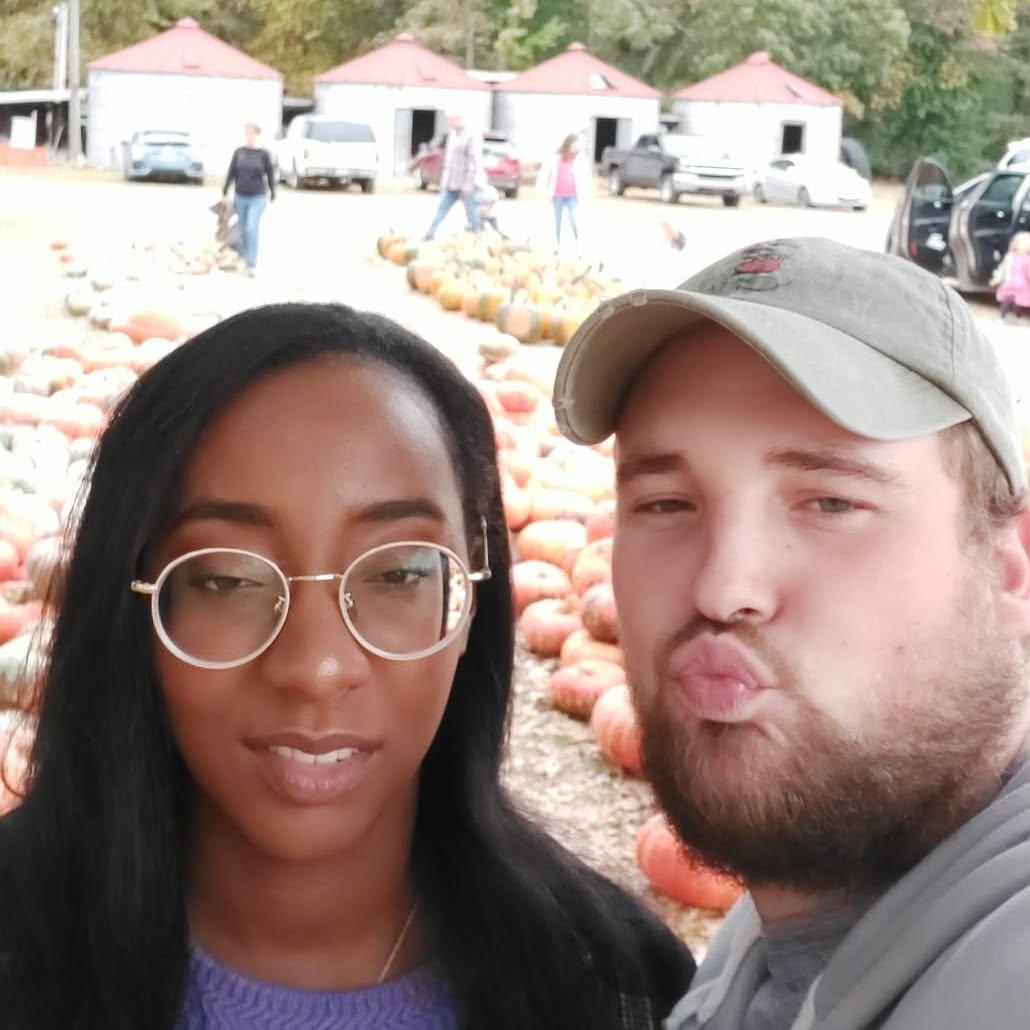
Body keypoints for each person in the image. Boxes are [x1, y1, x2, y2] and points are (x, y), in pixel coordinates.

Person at [0, 303, 694, 1029]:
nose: (317, 666)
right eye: (229, 579)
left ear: (469, 602)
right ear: (137, 607)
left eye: (396, 573)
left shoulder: (619, 990)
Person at [551, 237, 1030, 1030]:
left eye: (830, 502)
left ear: (1009, 566)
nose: (722, 586)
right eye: (667, 502)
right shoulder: (804, 899)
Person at [222, 122, 276, 276]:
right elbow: (231, 172)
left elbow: (270, 174)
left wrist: (273, 192)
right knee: (243, 229)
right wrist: (225, 190)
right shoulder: (239, 152)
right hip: (240, 196)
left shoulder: (264, 154)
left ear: (258, 135)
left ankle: (252, 263)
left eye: (253, 133)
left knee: (252, 227)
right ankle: (244, 257)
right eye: (248, 133)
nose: (250, 136)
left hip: (257, 197)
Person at [424, 115, 483, 240]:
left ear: (460, 119)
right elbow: (449, 162)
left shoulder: (470, 136)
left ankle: (480, 236)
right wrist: (444, 183)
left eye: (452, 119)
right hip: (452, 184)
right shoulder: (452, 135)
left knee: (471, 212)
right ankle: (430, 234)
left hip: (465, 185)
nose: (450, 122)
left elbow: (474, 161)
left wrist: (469, 183)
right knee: (442, 209)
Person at [537, 134, 593, 252]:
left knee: (574, 219)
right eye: (573, 145)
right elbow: (545, 173)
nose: (575, 148)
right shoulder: (556, 157)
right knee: (557, 221)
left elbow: (587, 175)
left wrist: (588, 191)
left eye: (577, 146)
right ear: (567, 144)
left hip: (572, 195)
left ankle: (578, 242)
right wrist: (544, 190)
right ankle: (556, 245)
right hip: (557, 195)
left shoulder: (580, 157)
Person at [994, 230, 1030, 321]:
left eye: (1026, 245)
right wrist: (997, 278)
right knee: (1006, 300)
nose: (1023, 247)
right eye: (1021, 244)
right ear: (1015, 244)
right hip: (1010, 283)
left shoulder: (1028, 259)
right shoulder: (1010, 256)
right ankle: (1002, 317)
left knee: (1018, 302)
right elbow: (1003, 269)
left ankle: (1017, 315)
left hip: (1022, 285)